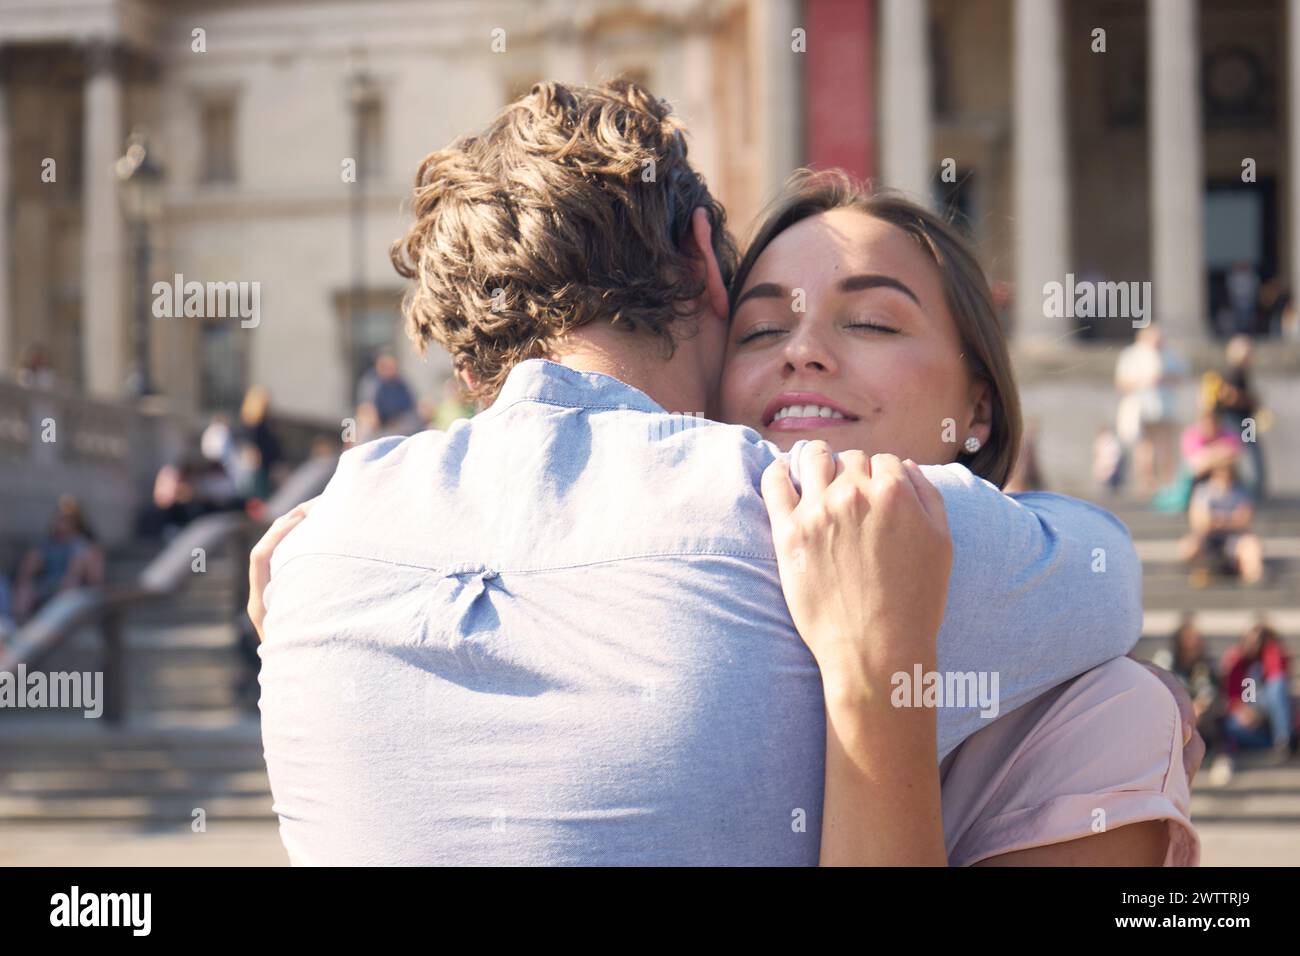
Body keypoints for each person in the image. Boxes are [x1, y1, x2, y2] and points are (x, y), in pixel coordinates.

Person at [250, 81, 1196, 865]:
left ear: (467, 366)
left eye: (868, 321)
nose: (804, 356)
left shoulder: (313, 555)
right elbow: (1105, 571)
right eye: (762, 326)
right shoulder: (776, 510)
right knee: (1125, 701)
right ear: (708, 265)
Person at [1115, 323, 1186, 497]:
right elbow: (1121, 382)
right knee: (1144, 448)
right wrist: (1143, 381)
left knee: (1165, 447)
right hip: (1141, 407)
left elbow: (1180, 376)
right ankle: (1147, 483)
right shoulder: (1132, 355)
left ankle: (1167, 484)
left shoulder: (1170, 354)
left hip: (1165, 407)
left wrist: (1164, 378)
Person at [11, 496, 105, 624]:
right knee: (25, 588)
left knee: (75, 570)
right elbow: (27, 572)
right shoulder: (47, 544)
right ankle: (20, 625)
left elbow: (95, 580)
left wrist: (81, 564)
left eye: (68, 519)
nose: (63, 522)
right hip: (48, 585)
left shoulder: (87, 546)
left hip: (75, 590)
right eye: (61, 518)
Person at [1219, 623, 1297, 763]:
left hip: (1270, 707)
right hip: (1248, 709)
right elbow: (1232, 696)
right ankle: (1275, 744)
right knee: (1232, 727)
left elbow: (1277, 679)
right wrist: (1243, 712)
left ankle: (1283, 740)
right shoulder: (1238, 661)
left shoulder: (1271, 656)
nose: (1253, 646)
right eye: (1250, 641)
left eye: (1258, 641)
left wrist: (1270, 650)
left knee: (1277, 685)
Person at [1180, 462, 1265, 587]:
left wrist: (1217, 520)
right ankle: (1202, 572)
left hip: (1235, 539)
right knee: (1189, 546)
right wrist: (1230, 519)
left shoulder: (1240, 491)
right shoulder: (1204, 491)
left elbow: (1245, 519)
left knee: (1251, 546)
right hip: (1209, 538)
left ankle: (1254, 583)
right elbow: (1200, 522)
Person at [1213, 335, 1266, 502]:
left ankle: (1254, 489)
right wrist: (1250, 400)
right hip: (1239, 418)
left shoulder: (1239, 372)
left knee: (1248, 452)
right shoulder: (1234, 371)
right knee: (1249, 452)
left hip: (1242, 417)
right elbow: (1227, 396)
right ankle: (1254, 490)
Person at [356, 353, 422, 439]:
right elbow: (365, 406)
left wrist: (396, 419)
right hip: (375, 423)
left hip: (397, 422)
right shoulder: (371, 382)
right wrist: (374, 419)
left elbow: (410, 404)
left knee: (412, 421)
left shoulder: (400, 383)